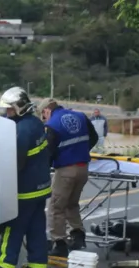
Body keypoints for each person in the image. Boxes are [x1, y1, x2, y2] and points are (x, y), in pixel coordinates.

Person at [0, 87, 52, 268]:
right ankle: (38, 263)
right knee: (36, 226)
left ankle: (6, 262)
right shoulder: (35, 123)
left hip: (25, 189)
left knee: (13, 225)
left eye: (10, 109)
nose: (7, 113)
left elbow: (15, 163)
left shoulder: (21, 130)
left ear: (19, 107)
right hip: (41, 187)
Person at [39, 98, 99, 258]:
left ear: (46, 111)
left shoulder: (52, 125)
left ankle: (59, 243)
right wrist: (80, 152)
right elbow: (94, 138)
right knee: (71, 203)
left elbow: (48, 151)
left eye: (43, 115)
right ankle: (78, 235)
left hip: (65, 170)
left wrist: (45, 168)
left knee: (56, 207)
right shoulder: (80, 116)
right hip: (83, 167)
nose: (44, 119)